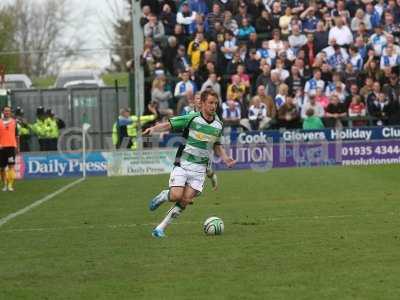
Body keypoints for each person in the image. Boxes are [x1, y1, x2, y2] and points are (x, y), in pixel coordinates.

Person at [143, 90, 236, 238]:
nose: (213, 106)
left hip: (200, 169)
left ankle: (160, 229)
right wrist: (153, 129)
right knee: (175, 195)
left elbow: (216, 144)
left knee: (185, 200)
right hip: (183, 163)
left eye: (216, 103)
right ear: (203, 103)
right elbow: (169, 125)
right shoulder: (192, 118)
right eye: (210, 103)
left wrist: (225, 157)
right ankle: (163, 196)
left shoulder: (218, 124)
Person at [0, 106, 19, 192]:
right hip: (1, 147)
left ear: (10, 112)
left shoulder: (14, 122)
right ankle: (4, 185)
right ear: (2, 112)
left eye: (8, 111)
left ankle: (10, 185)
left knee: (11, 166)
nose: (7, 112)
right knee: (2, 168)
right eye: (5, 111)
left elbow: (17, 136)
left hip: (11, 147)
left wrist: (17, 147)